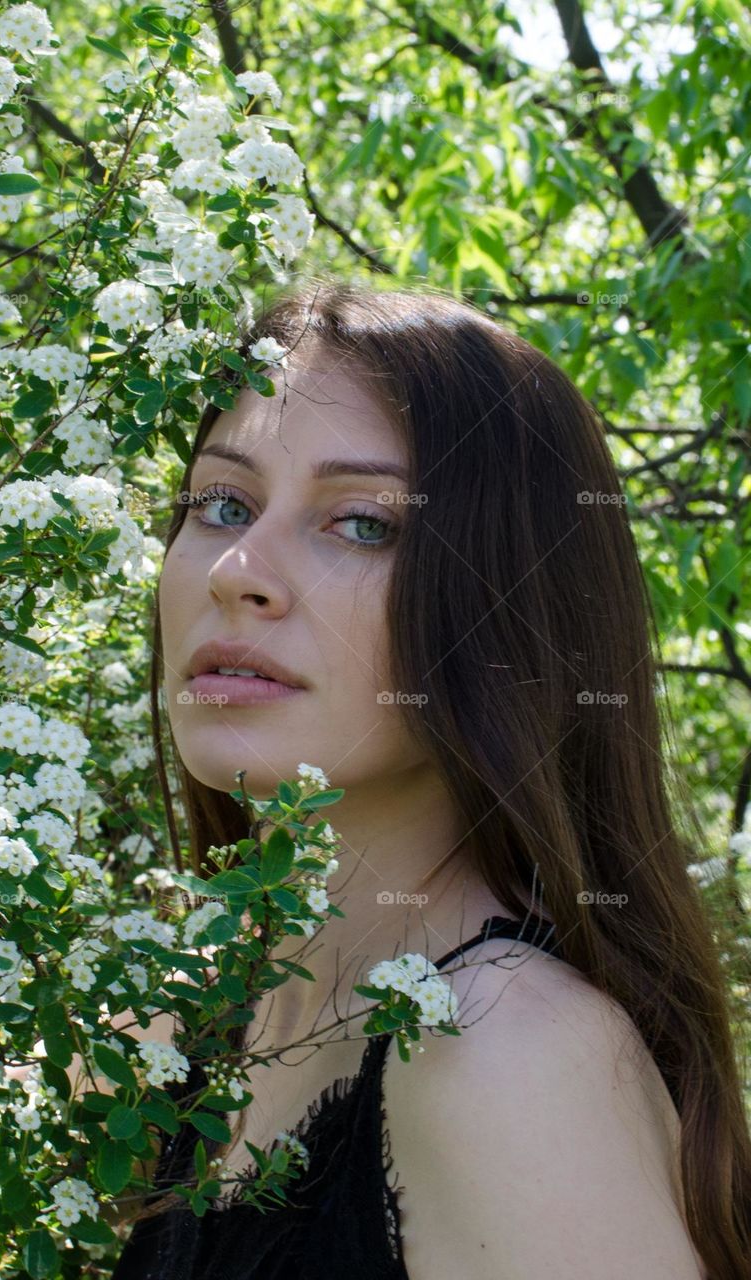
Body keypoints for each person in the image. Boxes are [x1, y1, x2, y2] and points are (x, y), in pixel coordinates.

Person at [110, 277, 751, 1279]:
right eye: (222, 501)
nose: (239, 566)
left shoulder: (505, 1058)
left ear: (508, 612)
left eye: (361, 523)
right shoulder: (195, 1016)